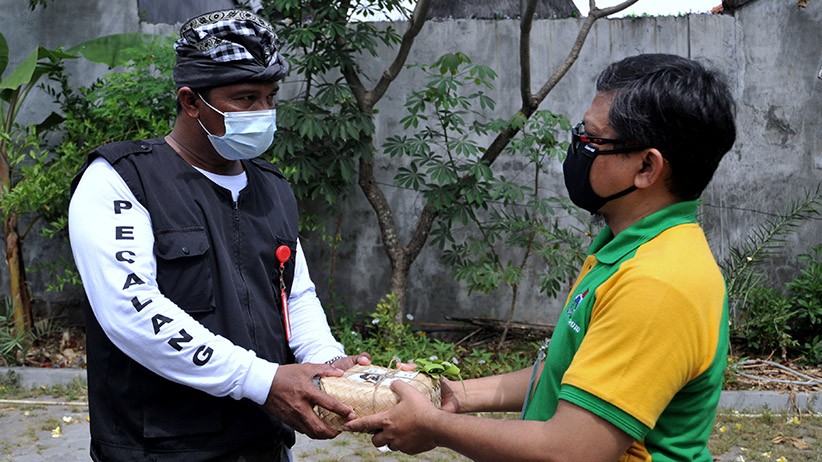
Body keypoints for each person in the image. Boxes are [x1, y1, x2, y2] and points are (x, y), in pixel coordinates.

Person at [345, 53, 736, 461]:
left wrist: (433, 426)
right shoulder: (626, 248)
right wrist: (453, 394)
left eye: (592, 139)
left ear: (646, 167)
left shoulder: (657, 282)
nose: (578, 148)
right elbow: (566, 375)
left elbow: (570, 451)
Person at [68, 9, 368, 461]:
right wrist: (262, 381)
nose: (263, 113)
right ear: (191, 102)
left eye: (270, 97)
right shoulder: (121, 180)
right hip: (161, 448)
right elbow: (131, 310)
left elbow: (295, 295)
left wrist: (328, 364)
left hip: (263, 444)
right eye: (245, 98)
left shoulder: (272, 188)